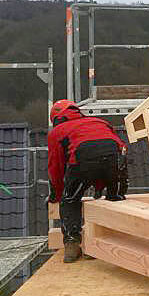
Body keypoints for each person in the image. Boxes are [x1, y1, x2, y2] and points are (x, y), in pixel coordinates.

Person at [47, 99, 128, 262]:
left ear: (56, 118)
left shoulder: (58, 132)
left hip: (82, 160)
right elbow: (121, 148)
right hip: (115, 158)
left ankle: (72, 245)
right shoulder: (100, 122)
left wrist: (56, 194)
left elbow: (55, 167)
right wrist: (116, 186)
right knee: (114, 199)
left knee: (70, 200)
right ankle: (105, 243)